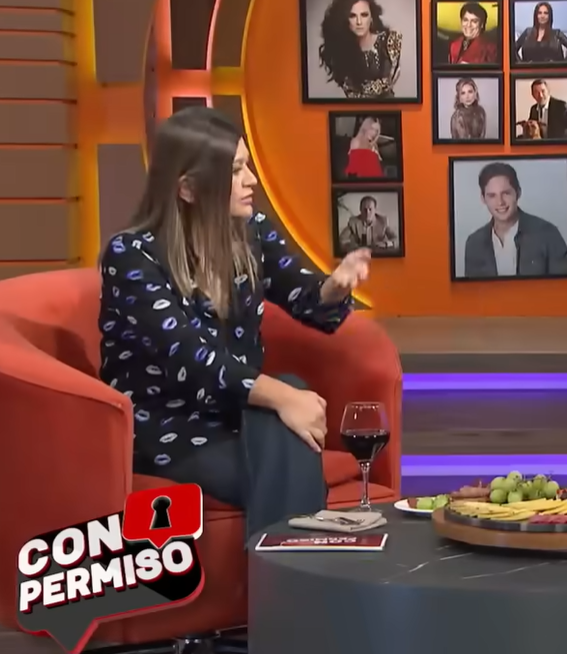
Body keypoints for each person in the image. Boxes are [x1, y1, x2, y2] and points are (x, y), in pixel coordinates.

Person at [98, 107, 373, 544]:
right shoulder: (133, 256)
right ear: (188, 188)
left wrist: (333, 288)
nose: (252, 181)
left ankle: (280, 580)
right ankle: (295, 577)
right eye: (236, 171)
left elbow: (303, 296)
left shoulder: (251, 230)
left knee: (287, 413)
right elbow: (192, 358)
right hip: (171, 429)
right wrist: (284, 397)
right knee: (292, 456)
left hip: (239, 415)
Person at [463, 162, 567, 278]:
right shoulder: (474, 243)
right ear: (483, 199)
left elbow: (565, 286)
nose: (500, 202)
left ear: (518, 193)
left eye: (506, 193)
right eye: (492, 196)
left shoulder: (548, 234)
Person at [319, 0, 402, 99]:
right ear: (345, 20)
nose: (359, 22)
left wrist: (369, 90)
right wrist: (380, 87)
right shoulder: (341, 52)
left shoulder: (390, 39)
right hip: (359, 109)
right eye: (352, 16)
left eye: (364, 15)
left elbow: (389, 80)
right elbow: (353, 95)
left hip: (388, 107)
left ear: (371, 17)